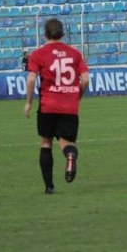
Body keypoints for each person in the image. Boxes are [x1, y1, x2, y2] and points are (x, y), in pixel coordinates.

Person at [24, 18, 90, 194]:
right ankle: (70, 155)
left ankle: (49, 186)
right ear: (62, 33)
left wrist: (29, 102)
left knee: (46, 143)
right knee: (66, 142)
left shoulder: (38, 54)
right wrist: (77, 95)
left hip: (47, 105)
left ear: (45, 33)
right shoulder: (74, 53)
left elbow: (31, 79)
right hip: (69, 106)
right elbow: (85, 79)